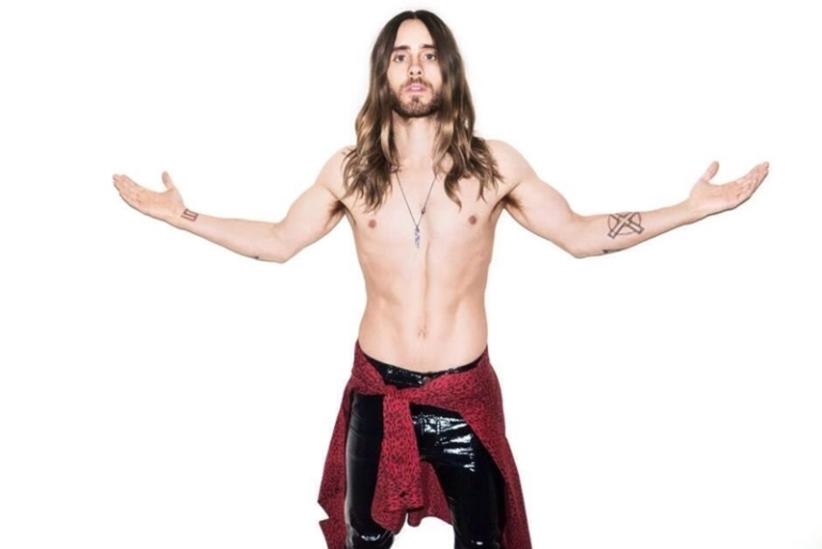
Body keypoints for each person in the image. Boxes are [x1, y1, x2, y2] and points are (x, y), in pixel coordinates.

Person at [112, 9, 769, 549]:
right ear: (383, 73)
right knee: (365, 538)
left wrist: (688, 209)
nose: (415, 67)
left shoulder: (493, 166)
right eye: (401, 55)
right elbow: (278, 241)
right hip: (379, 393)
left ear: (448, 70)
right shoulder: (350, 171)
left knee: (483, 541)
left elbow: (579, 233)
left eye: (428, 55)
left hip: (464, 397)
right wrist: (182, 216)